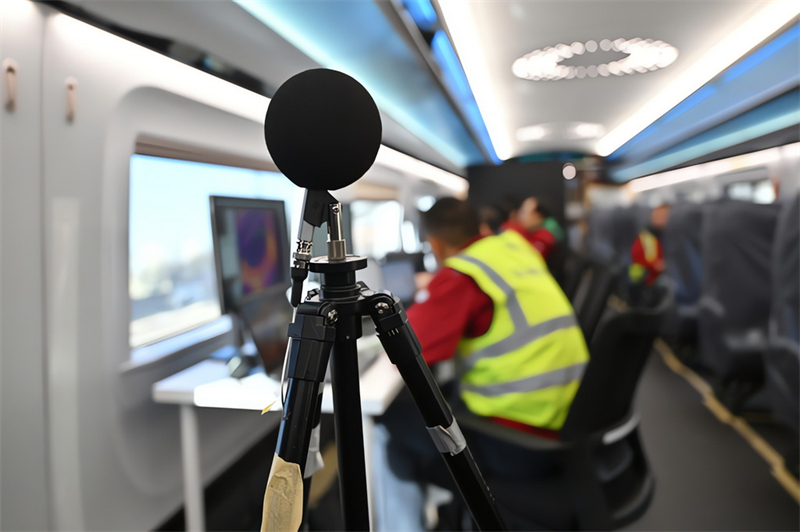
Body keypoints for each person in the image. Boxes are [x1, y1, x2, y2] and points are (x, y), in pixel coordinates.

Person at [375, 198, 589, 530]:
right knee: (435, 396)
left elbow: (407, 346)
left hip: (519, 441)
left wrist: (432, 293)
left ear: (434, 244)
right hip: (567, 417)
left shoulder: (462, 275)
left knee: (387, 421)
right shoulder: (511, 246)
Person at [629, 203, 670, 286]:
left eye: (663, 216)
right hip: (649, 281)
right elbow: (637, 260)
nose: (659, 219)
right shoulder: (645, 237)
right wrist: (655, 265)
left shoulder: (671, 236)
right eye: (657, 216)